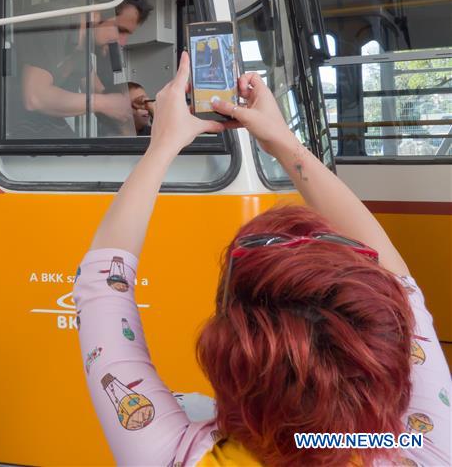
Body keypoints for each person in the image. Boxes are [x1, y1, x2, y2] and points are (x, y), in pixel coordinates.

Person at [74, 53, 451, 466]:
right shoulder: (425, 451)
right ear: (389, 365)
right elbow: (398, 281)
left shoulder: (176, 457)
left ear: (226, 361)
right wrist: (282, 141)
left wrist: (163, 145)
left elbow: (103, 286)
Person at [13, 0, 152, 138]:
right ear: (95, 13)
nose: (122, 42)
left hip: (40, 124)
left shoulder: (81, 51)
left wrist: (132, 103)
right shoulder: (54, 21)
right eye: (120, 30)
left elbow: (98, 91)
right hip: (6, 130)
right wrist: (104, 103)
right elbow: (35, 97)